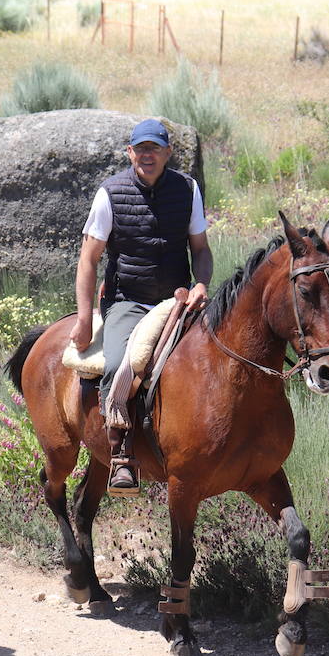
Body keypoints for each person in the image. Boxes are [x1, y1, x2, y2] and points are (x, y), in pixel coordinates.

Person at [72, 118, 213, 495]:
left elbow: (200, 249)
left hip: (179, 300)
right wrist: (85, 318)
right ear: (130, 152)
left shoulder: (188, 190)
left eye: (155, 148)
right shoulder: (110, 193)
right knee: (121, 364)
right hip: (127, 300)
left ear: (168, 153)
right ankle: (121, 454)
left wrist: (201, 284)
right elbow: (88, 260)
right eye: (140, 148)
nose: (147, 155)